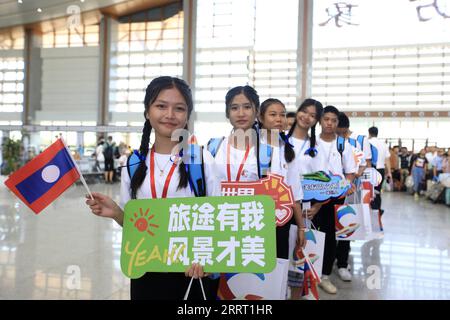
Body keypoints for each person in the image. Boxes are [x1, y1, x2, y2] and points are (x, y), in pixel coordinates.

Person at [85, 76, 220, 300]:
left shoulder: (202, 159)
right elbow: (136, 224)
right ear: (148, 111)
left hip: (191, 271)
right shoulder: (134, 163)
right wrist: (118, 214)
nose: (169, 115)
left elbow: (218, 217)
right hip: (146, 268)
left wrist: (206, 259)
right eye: (161, 106)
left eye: (179, 108)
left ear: (187, 115)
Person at [207, 87, 306, 300]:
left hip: (258, 230)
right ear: (227, 113)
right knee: (226, 287)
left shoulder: (271, 149)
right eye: (234, 108)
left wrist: (301, 227)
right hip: (222, 226)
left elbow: (289, 194)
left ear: (255, 112)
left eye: (246, 107)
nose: (240, 113)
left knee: (255, 285)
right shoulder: (214, 147)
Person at [310, 106, 357, 294]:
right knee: (308, 234)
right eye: (326, 119)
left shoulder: (343, 145)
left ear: (338, 123)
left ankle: (324, 275)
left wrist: (344, 185)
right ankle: (304, 275)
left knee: (329, 236)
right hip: (310, 195)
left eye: (333, 120)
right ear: (320, 120)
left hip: (334, 197)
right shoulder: (309, 142)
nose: (329, 123)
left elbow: (350, 172)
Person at [283, 98, 324, 299]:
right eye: (304, 111)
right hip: (278, 206)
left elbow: (326, 182)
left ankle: (296, 295)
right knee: (279, 254)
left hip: (304, 208)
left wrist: (317, 206)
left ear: (316, 121)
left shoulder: (316, 148)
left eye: (312, 115)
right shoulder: (280, 140)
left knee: (299, 257)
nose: (306, 117)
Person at [335, 112, 370, 282]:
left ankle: (342, 263)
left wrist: (352, 177)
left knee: (346, 227)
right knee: (327, 228)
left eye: (343, 133)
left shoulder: (358, 143)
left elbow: (365, 165)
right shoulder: (325, 142)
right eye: (337, 132)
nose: (340, 136)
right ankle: (328, 260)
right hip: (330, 192)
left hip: (350, 191)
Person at [368, 126, 391, 216]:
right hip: (380, 170)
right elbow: (387, 160)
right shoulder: (383, 144)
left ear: (369, 133)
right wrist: (389, 172)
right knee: (377, 191)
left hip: (370, 169)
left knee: (369, 190)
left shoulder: (367, 142)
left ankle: (370, 210)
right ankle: (377, 209)